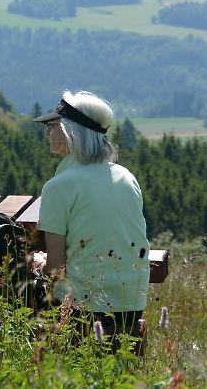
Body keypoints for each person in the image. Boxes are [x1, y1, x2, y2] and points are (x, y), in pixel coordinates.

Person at [33, 90, 150, 352]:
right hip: (132, 303)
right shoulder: (126, 177)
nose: (48, 132)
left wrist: (39, 264)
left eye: (52, 126)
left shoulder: (58, 187)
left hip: (83, 309)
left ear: (68, 132)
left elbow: (55, 270)